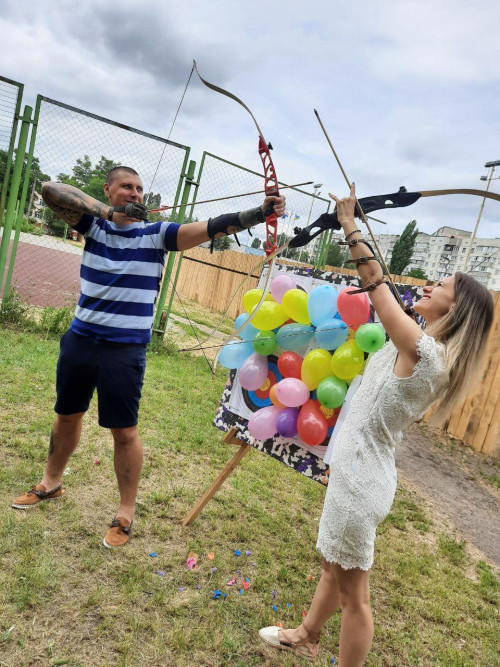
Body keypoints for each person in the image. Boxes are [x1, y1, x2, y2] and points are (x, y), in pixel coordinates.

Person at [259, 183, 494, 664]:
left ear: (456, 308)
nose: (430, 286)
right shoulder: (419, 339)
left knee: (355, 598)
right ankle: (305, 633)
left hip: (362, 481)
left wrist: (350, 224)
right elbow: (384, 288)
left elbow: (376, 285)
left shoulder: (426, 353)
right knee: (332, 566)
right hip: (356, 471)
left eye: (441, 286)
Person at [11, 166, 285, 548]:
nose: (135, 193)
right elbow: (50, 189)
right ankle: (51, 483)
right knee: (66, 416)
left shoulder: (158, 233)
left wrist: (258, 213)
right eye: (126, 187)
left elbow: (212, 227)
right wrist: (108, 214)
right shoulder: (94, 225)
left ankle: (125, 513)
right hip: (80, 339)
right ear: (108, 191)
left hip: (124, 348)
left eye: (140, 189)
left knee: (124, 432)